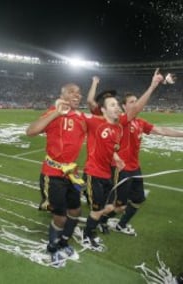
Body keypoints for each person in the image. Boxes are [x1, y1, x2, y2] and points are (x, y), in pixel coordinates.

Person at [81, 69, 164, 251]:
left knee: (109, 207)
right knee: (97, 210)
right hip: (94, 173)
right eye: (113, 104)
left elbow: (134, 112)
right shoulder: (95, 121)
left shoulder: (119, 126)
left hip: (108, 173)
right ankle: (87, 236)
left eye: (117, 104)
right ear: (103, 109)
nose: (117, 107)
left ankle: (96, 226)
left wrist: (115, 157)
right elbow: (80, 112)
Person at [107, 91, 183, 236]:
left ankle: (121, 225)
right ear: (123, 106)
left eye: (137, 100)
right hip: (121, 168)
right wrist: (154, 85)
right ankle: (99, 220)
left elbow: (161, 130)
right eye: (132, 102)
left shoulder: (140, 122)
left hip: (135, 168)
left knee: (138, 200)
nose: (136, 104)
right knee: (119, 206)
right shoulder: (121, 120)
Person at [26, 83, 85, 267]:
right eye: (71, 92)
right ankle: (52, 248)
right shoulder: (53, 112)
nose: (76, 95)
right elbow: (31, 131)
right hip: (52, 174)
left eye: (78, 92)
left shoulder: (81, 118)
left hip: (72, 174)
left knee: (75, 211)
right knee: (60, 217)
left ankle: (64, 241)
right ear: (62, 95)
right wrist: (57, 113)